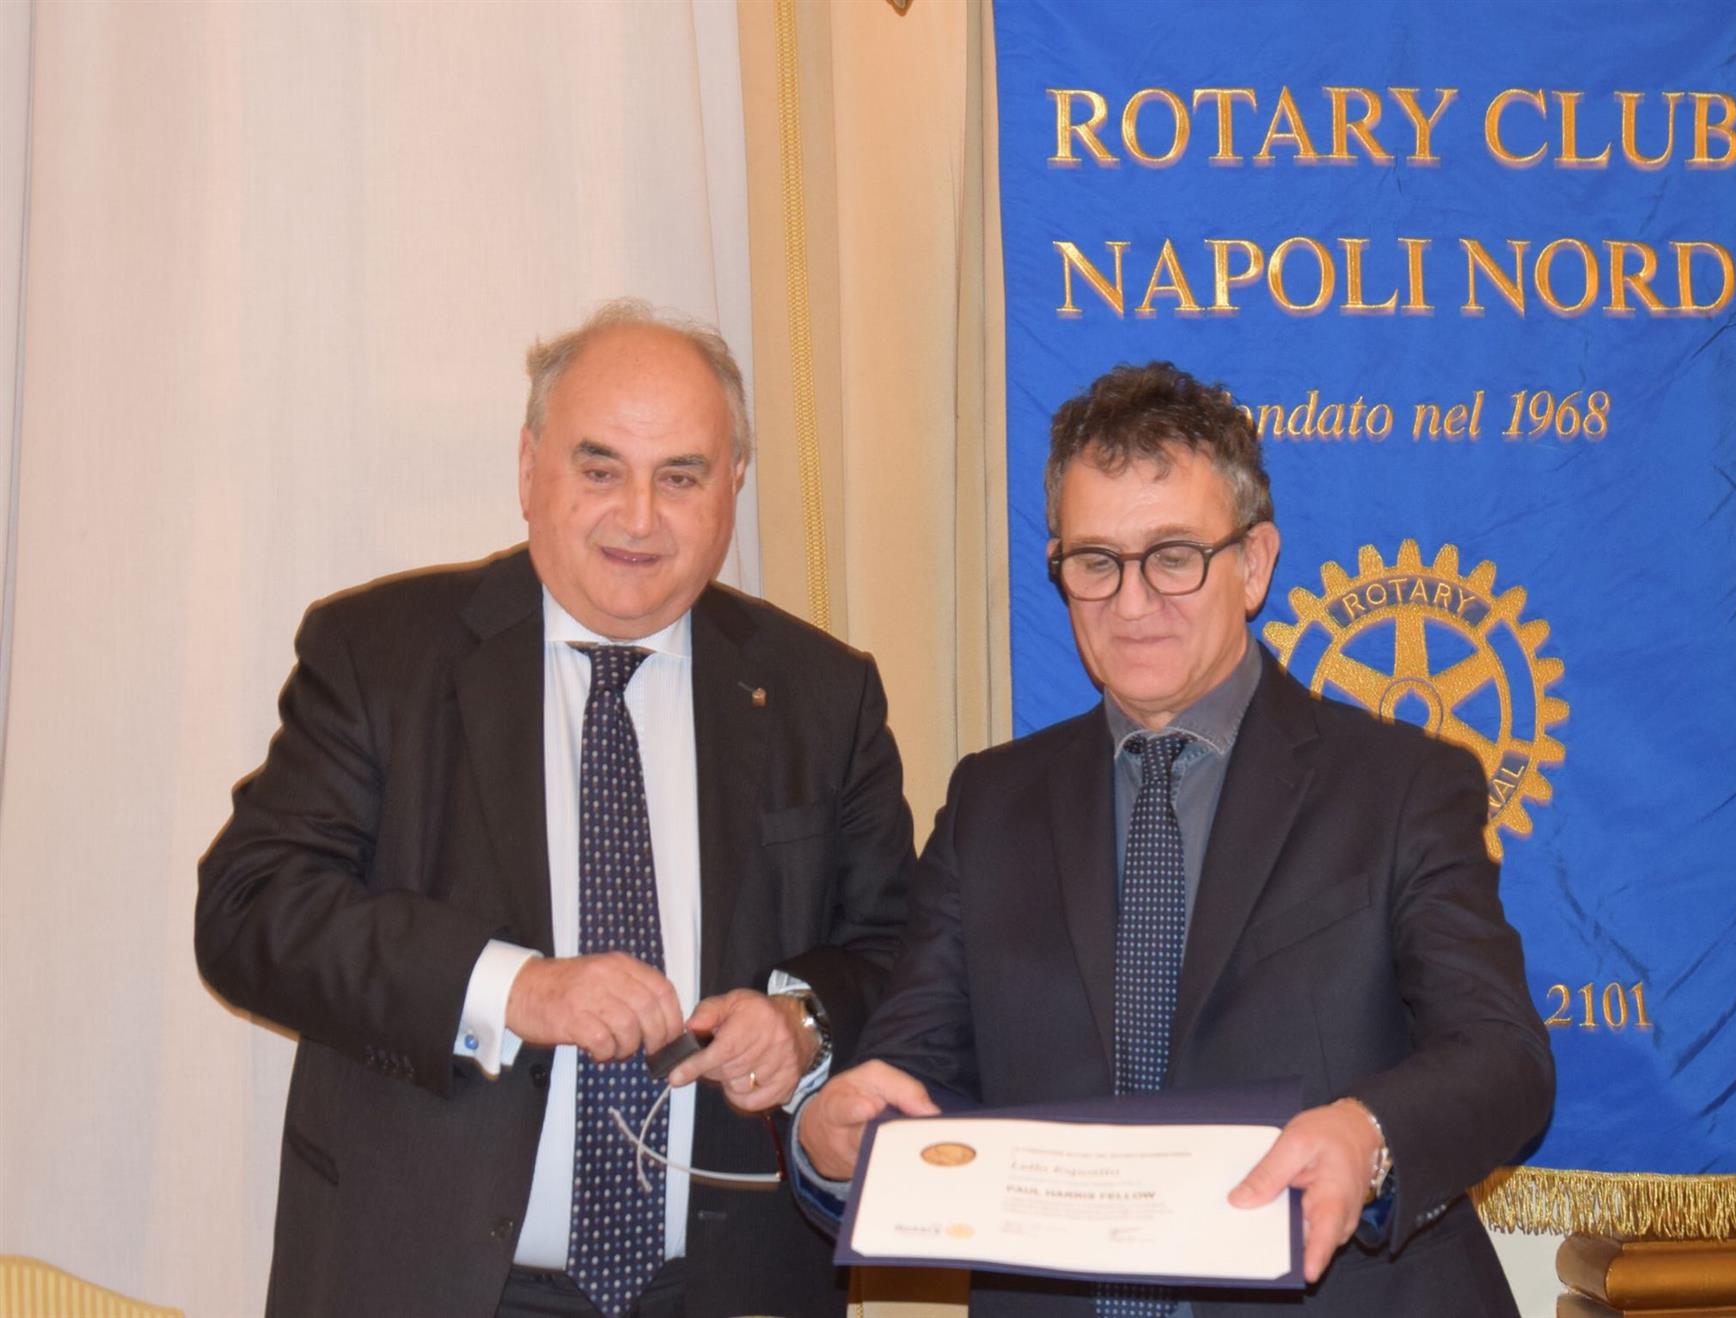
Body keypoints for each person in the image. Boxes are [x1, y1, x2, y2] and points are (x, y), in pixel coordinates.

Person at [196, 300, 914, 1318]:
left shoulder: (822, 693)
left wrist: (800, 1020)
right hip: (430, 1284)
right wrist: (512, 989)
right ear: (530, 468)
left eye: (681, 476)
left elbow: (895, 951)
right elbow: (250, 911)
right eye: (599, 469)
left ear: (735, 485)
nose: (639, 517)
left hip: (727, 1286)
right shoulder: (380, 654)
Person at [796, 362, 1554, 1316]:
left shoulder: (1402, 786)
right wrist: (832, 1144)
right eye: (1096, 562)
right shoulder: (989, 804)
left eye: (1174, 557)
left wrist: (1369, 1137)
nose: (1131, 602)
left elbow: (1503, 1056)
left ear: (1255, 563)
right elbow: (911, 1077)